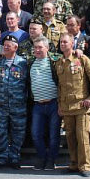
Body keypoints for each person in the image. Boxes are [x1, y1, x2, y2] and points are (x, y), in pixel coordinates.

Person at [56, 33, 90, 177]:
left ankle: (85, 166)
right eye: (61, 42)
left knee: (82, 137)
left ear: (72, 44)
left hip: (81, 105)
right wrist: (59, 104)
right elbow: (60, 86)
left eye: (65, 42)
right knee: (70, 137)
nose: (63, 44)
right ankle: (73, 164)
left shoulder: (81, 59)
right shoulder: (58, 62)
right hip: (66, 106)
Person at [0, 35, 28, 169]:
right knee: (1, 132)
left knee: (18, 132)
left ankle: (14, 157)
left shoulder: (23, 63)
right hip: (0, 106)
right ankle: (2, 157)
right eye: (4, 45)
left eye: (8, 45)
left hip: (19, 106)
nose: (5, 47)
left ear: (15, 47)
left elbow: (28, 84)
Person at [28, 36, 62, 170]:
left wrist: (78, 52)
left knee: (54, 135)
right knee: (36, 134)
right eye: (35, 47)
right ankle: (42, 157)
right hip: (38, 104)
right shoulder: (30, 61)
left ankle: (51, 159)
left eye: (40, 47)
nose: (37, 50)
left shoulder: (55, 60)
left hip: (53, 103)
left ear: (47, 48)